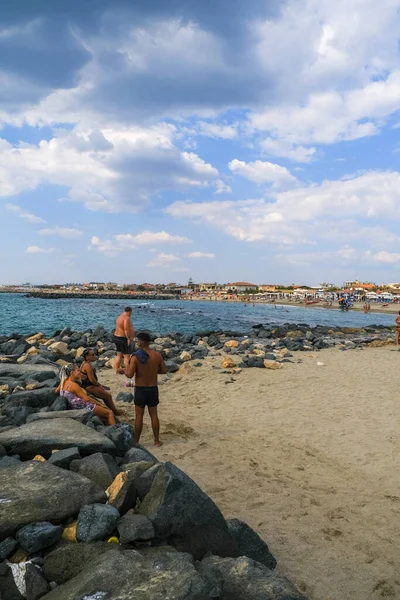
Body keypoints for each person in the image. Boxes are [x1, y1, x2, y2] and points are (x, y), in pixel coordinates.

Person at [124, 331, 167, 447]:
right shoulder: (157, 355)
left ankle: (137, 441)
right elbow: (164, 370)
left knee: (139, 416)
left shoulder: (135, 357)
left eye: (138, 341)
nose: (137, 343)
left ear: (141, 342)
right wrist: (153, 370)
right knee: (154, 415)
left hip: (141, 390)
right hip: (153, 388)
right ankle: (157, 441)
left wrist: (124, 369)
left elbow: (129, 375)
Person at [80, 348, 125, 416]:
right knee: (108, 396)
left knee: (105, 396)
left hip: (88, 385)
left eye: (94, 354)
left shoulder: (84, 363)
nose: (94, 356)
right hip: (89, 386)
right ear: (87, 356)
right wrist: (99, 385)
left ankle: (112, 410)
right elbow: (92, 380)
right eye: (92, 355)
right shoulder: (87, 366)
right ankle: (115, 412)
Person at [114, 307, 135, 374]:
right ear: (129, 312)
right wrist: (128, 338)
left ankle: (117, 370)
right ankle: (127, 371)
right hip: (122, 338)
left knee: (119, 355)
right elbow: (126, 330)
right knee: (126, 356)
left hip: (116, 337)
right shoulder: (126, 318)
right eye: (131, 313)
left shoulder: (119, 317)